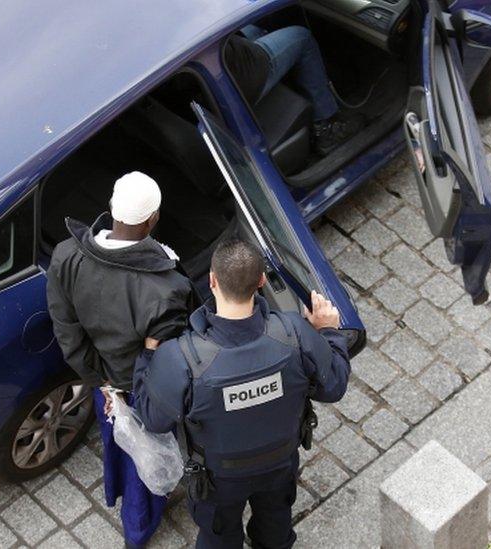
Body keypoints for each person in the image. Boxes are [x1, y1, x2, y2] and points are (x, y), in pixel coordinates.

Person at [131, 238, 351, 548]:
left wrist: (148, 359)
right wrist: (328, 331)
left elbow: (152, 420)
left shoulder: (179, 359)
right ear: (262, 281)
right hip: (279, 464)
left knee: (219, 536)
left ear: (211, 281)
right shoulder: (296, 334)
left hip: (217, 480)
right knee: (275, 528)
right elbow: (334, 385)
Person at [45, 171, 196, 548]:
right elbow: (170, 354)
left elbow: (66, 328)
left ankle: (120, 500)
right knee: (142, 462)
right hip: (141, 389)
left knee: (117, 443)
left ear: (112, 208)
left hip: (105, 384)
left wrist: (101, 381)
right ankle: (139, 528)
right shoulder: (165, 289)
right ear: (152, 219)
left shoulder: (66, 255)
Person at [224, 24, 364, 156]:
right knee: (302, 37)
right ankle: (325, 129)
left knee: (253, 28)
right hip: (240, 74)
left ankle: (297, 77)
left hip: (225, 60)